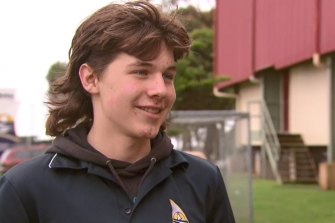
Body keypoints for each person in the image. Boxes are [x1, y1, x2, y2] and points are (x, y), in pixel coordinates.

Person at [0, 1, 235, 222]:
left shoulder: (203, 180)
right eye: (141, 72)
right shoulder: (25, 189)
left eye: (167, 76)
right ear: (91, 79)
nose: (160, 90)